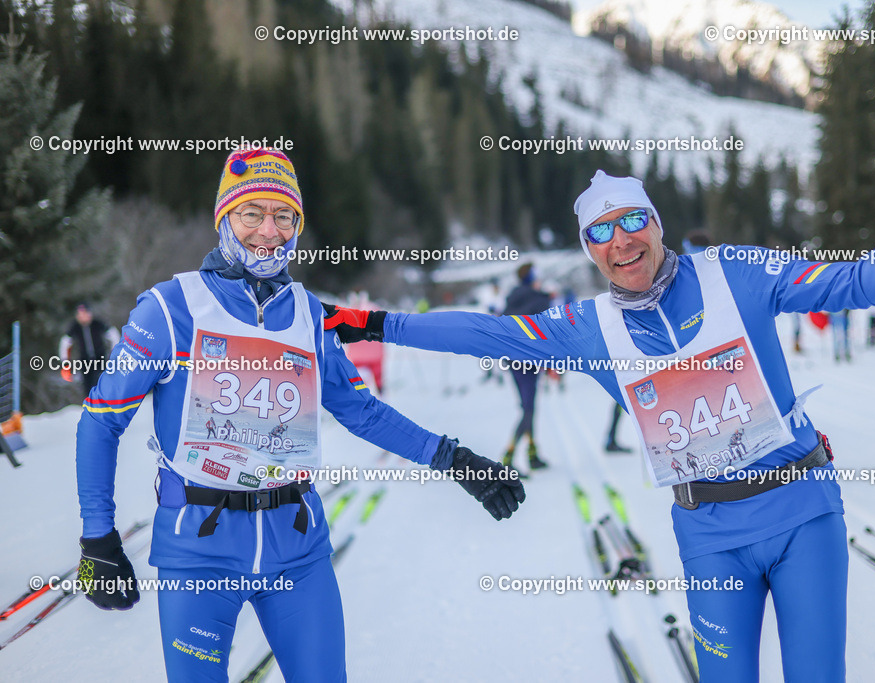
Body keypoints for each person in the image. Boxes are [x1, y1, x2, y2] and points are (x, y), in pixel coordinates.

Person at [326, 169, 875, 681]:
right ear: (588, 249)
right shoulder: (588, 329)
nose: (622, 240)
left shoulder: (734, 273)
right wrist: (381, 324)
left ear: (656, 224)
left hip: (803, 513)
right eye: (601, 231)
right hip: (710, 534)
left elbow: (846, 284)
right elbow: (485, 331)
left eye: (634, 220)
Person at [74, 147, 525, 683]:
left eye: (283, 216)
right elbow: (102, 420)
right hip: (198, 553)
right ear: (225, 217)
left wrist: (456, 460)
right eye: (252, 213)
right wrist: (97, 538)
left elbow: (361, 412)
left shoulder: (310, 316)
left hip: (297, 547)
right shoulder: (172, 309)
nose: (269, 230)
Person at [501, 262, 552, 472]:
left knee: (529, 407)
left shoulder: (513, 297)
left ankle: (532, 453)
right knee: (528, 409)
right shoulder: (534, 298)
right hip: (526, 362)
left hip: (516, 360)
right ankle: (508, 457)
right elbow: (543, 319)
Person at [59, 302, 119, 397]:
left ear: (89, 314)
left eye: (84, 314)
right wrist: (65, 362)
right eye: (79, 315)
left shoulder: (97, 323)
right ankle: (91, 406)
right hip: (85, 361)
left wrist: (115, 353)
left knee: (104, 382)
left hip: (100, 358)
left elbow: (113, 334)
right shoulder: (75, 327)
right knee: (88, 387)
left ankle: (108, 403)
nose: (82, 317)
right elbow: (65, 343)